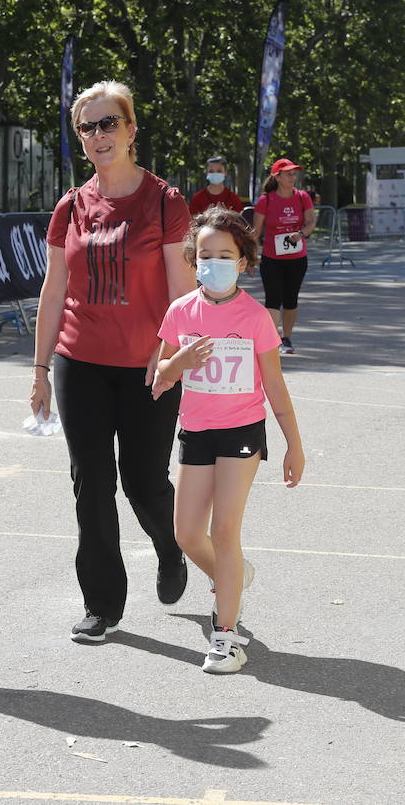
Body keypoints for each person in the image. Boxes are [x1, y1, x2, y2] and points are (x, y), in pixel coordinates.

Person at [29, 79, 195, 643]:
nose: (99, 135)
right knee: (90, 480)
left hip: (151, 364)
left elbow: (182, 288)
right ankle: (102, 603)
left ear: (130, 130)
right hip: (81, 360)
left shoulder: (165, 201)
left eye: (109, 124)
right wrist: (40, 370)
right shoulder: (69, 207)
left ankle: (172, 548)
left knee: (144, 482)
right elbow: (54, 293)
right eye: (87, 127)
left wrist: (170, 353)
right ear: (79, 137)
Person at [152, 207, 304, 673]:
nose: (213, 262)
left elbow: (275, 385)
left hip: (241, 432)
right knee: (185, 533)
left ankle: (226, 638)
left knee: (224, 531)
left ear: (242, 262)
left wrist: (294, 445)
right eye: (205, 255)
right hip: (195, 431)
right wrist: (179, 362)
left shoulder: (255, 317)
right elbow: (157, 379)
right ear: (192, 259)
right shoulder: (181, 311)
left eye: (224, 255)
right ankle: (231, 574)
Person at [250, 158, 316, 354]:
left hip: (297, 259)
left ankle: (286, 338)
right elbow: (255, 232)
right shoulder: (266, 200)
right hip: (272, 258)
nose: (292, 177)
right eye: (288, 173)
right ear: (277, 177)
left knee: (290, 299)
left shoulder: (303, 197)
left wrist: (301, 234)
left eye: (294, 173)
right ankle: (272, 341)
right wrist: (251, 258)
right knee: (273, 298)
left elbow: (311, 222)